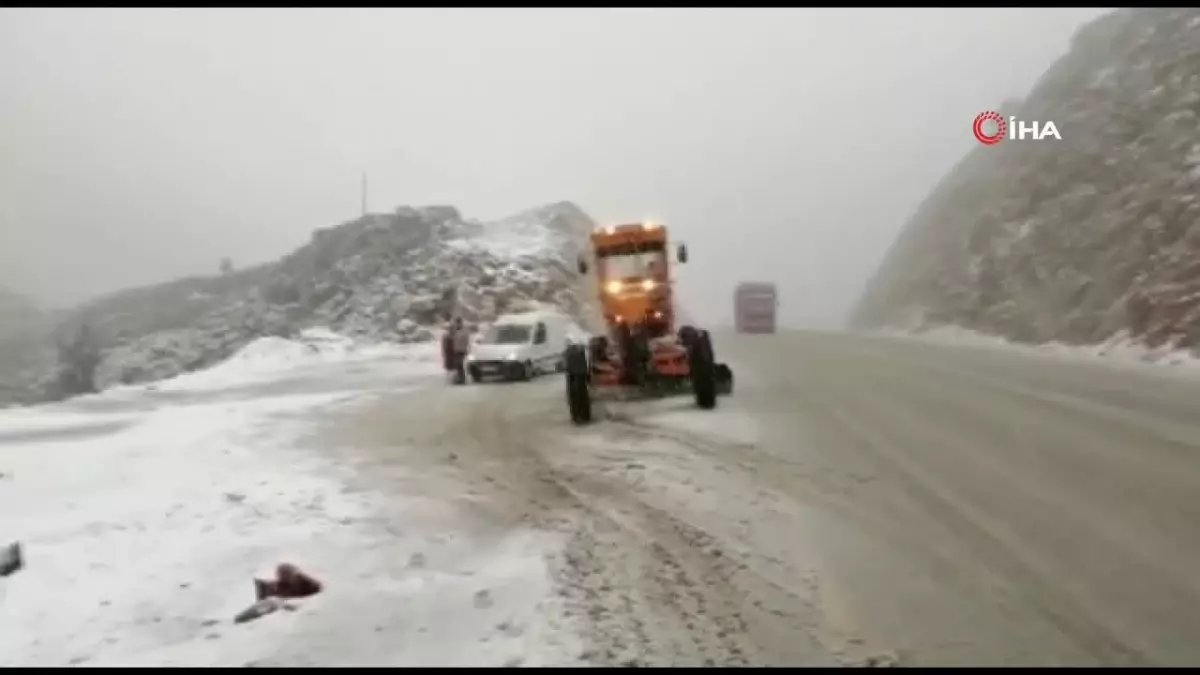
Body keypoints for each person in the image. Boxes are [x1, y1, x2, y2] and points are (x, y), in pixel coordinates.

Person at [445, 317, 471, 384]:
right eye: (456, 323)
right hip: (456, 350)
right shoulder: (455, 330)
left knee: (459, 363)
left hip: (462, 350)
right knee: (458, 364)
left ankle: (462, 378)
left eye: (458, 323)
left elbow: (466, 340)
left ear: (461, 323)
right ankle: (460, 378)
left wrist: (467, 348)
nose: (457, 324)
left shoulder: (464, 331)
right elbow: (450, 337)